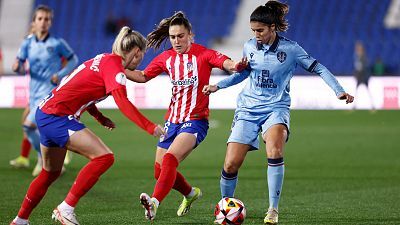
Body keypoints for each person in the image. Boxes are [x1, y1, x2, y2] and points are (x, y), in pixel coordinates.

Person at [202, 1, 354, 224]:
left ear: (273, 27)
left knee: (274, 151)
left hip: (276, 108)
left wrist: (339, 91)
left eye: (260, 30)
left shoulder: (291, 50)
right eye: (253, 30)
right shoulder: (250, 46)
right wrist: (218, 86)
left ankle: (273, 209)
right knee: (230, 164)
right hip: (248, 108)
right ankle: (226, 207)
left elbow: (319, 67)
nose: (256, 35)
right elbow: (244, 75)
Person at [10, 26, 165, 225]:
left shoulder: (104, 59)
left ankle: (20, 220)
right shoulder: (115, 68)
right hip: (58, 117)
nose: (141, 59)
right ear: (137, 52)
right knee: (104, 157)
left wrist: (99, 117)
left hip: (45, 112)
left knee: (50, 172)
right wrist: (150, 127)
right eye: (142, 55)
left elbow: (83, 88)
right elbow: (123, 102)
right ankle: (66, 208)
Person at [124, 11, 247, 221]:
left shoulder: (203, 54)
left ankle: (154, 202)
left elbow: (225, 62)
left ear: (190, 35)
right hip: (172, 121)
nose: (176, 40)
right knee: (159, 171)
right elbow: (143, 76)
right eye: (172, 37)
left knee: (170, 159)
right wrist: (117, 68)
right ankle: (190, 194)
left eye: (180, 36)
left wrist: (235, 65)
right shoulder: (166, 58)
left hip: (195, 121)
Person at [10, 5, 79, 176]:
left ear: (50, 22)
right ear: (34, 21)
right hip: (33, 94)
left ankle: (44, 159)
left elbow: (73, 60)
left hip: (49, 94)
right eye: (40, 19)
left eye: (47, 19)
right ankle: (53, 160)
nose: (43, 22)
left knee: (29, 125)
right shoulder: (27, 43)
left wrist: (60, 74)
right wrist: (17, 67)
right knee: (37, 128)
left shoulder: (57, 43)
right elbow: (19, 65)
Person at [353, 40, 374, 110]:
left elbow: (364, 67)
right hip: (359, 76)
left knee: (367, 90)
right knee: (357, 90)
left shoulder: (363, 57)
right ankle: (354, 106)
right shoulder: (357, 56)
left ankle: (372, 106)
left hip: (364, 76)